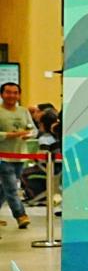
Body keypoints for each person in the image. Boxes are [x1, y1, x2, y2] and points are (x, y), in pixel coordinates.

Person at [0, 81, 35, 229]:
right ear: (2, 94)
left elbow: (33, 129)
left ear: (19, 95)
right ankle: (21, 215)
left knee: (5, 188)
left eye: (15, 93)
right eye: (8, 92)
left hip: (20, 156)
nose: (12, 96)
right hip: (3, 157)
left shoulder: (23, 111)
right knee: (12, 188)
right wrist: (10, 135)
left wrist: (29, 135)